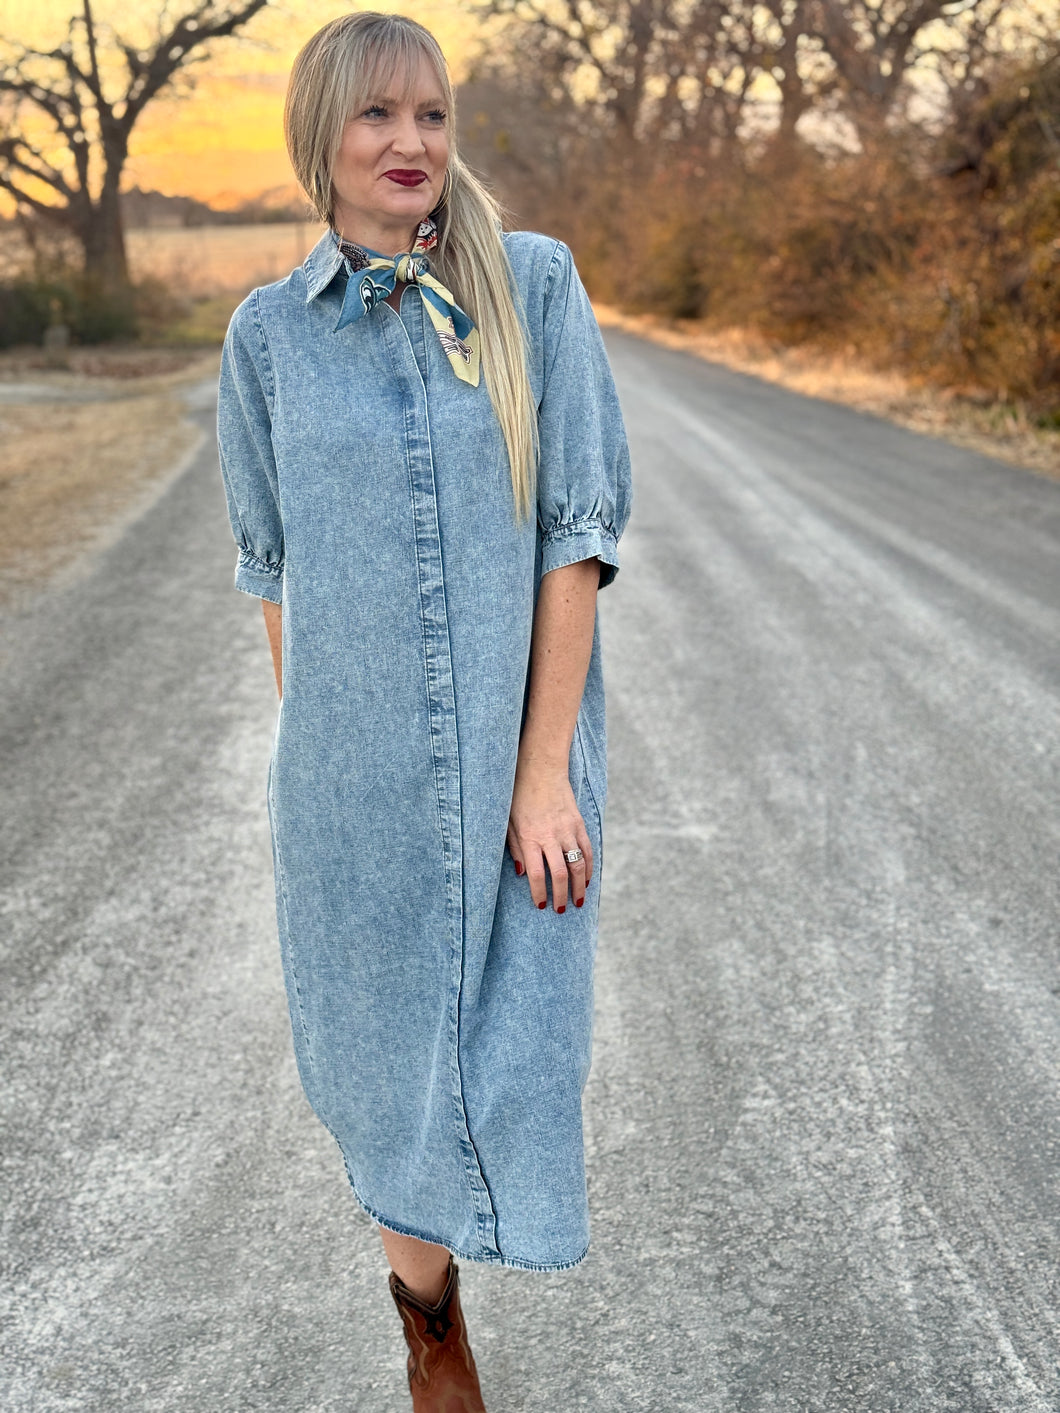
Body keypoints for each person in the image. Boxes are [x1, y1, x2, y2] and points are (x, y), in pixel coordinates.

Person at [216, 12, 632, 1409]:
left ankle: (450, 1285)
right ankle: (428, 1324)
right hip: (353, 780)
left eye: (433, 116)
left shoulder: (534, 289)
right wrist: (322, 767)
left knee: (516, 1046)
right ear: (319, 141)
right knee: (384, 1059)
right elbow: (274, 573)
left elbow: (574, 537)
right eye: (376, 117)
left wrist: (542, 771)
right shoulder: (267, 338)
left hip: (516, 764)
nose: (411, 144)